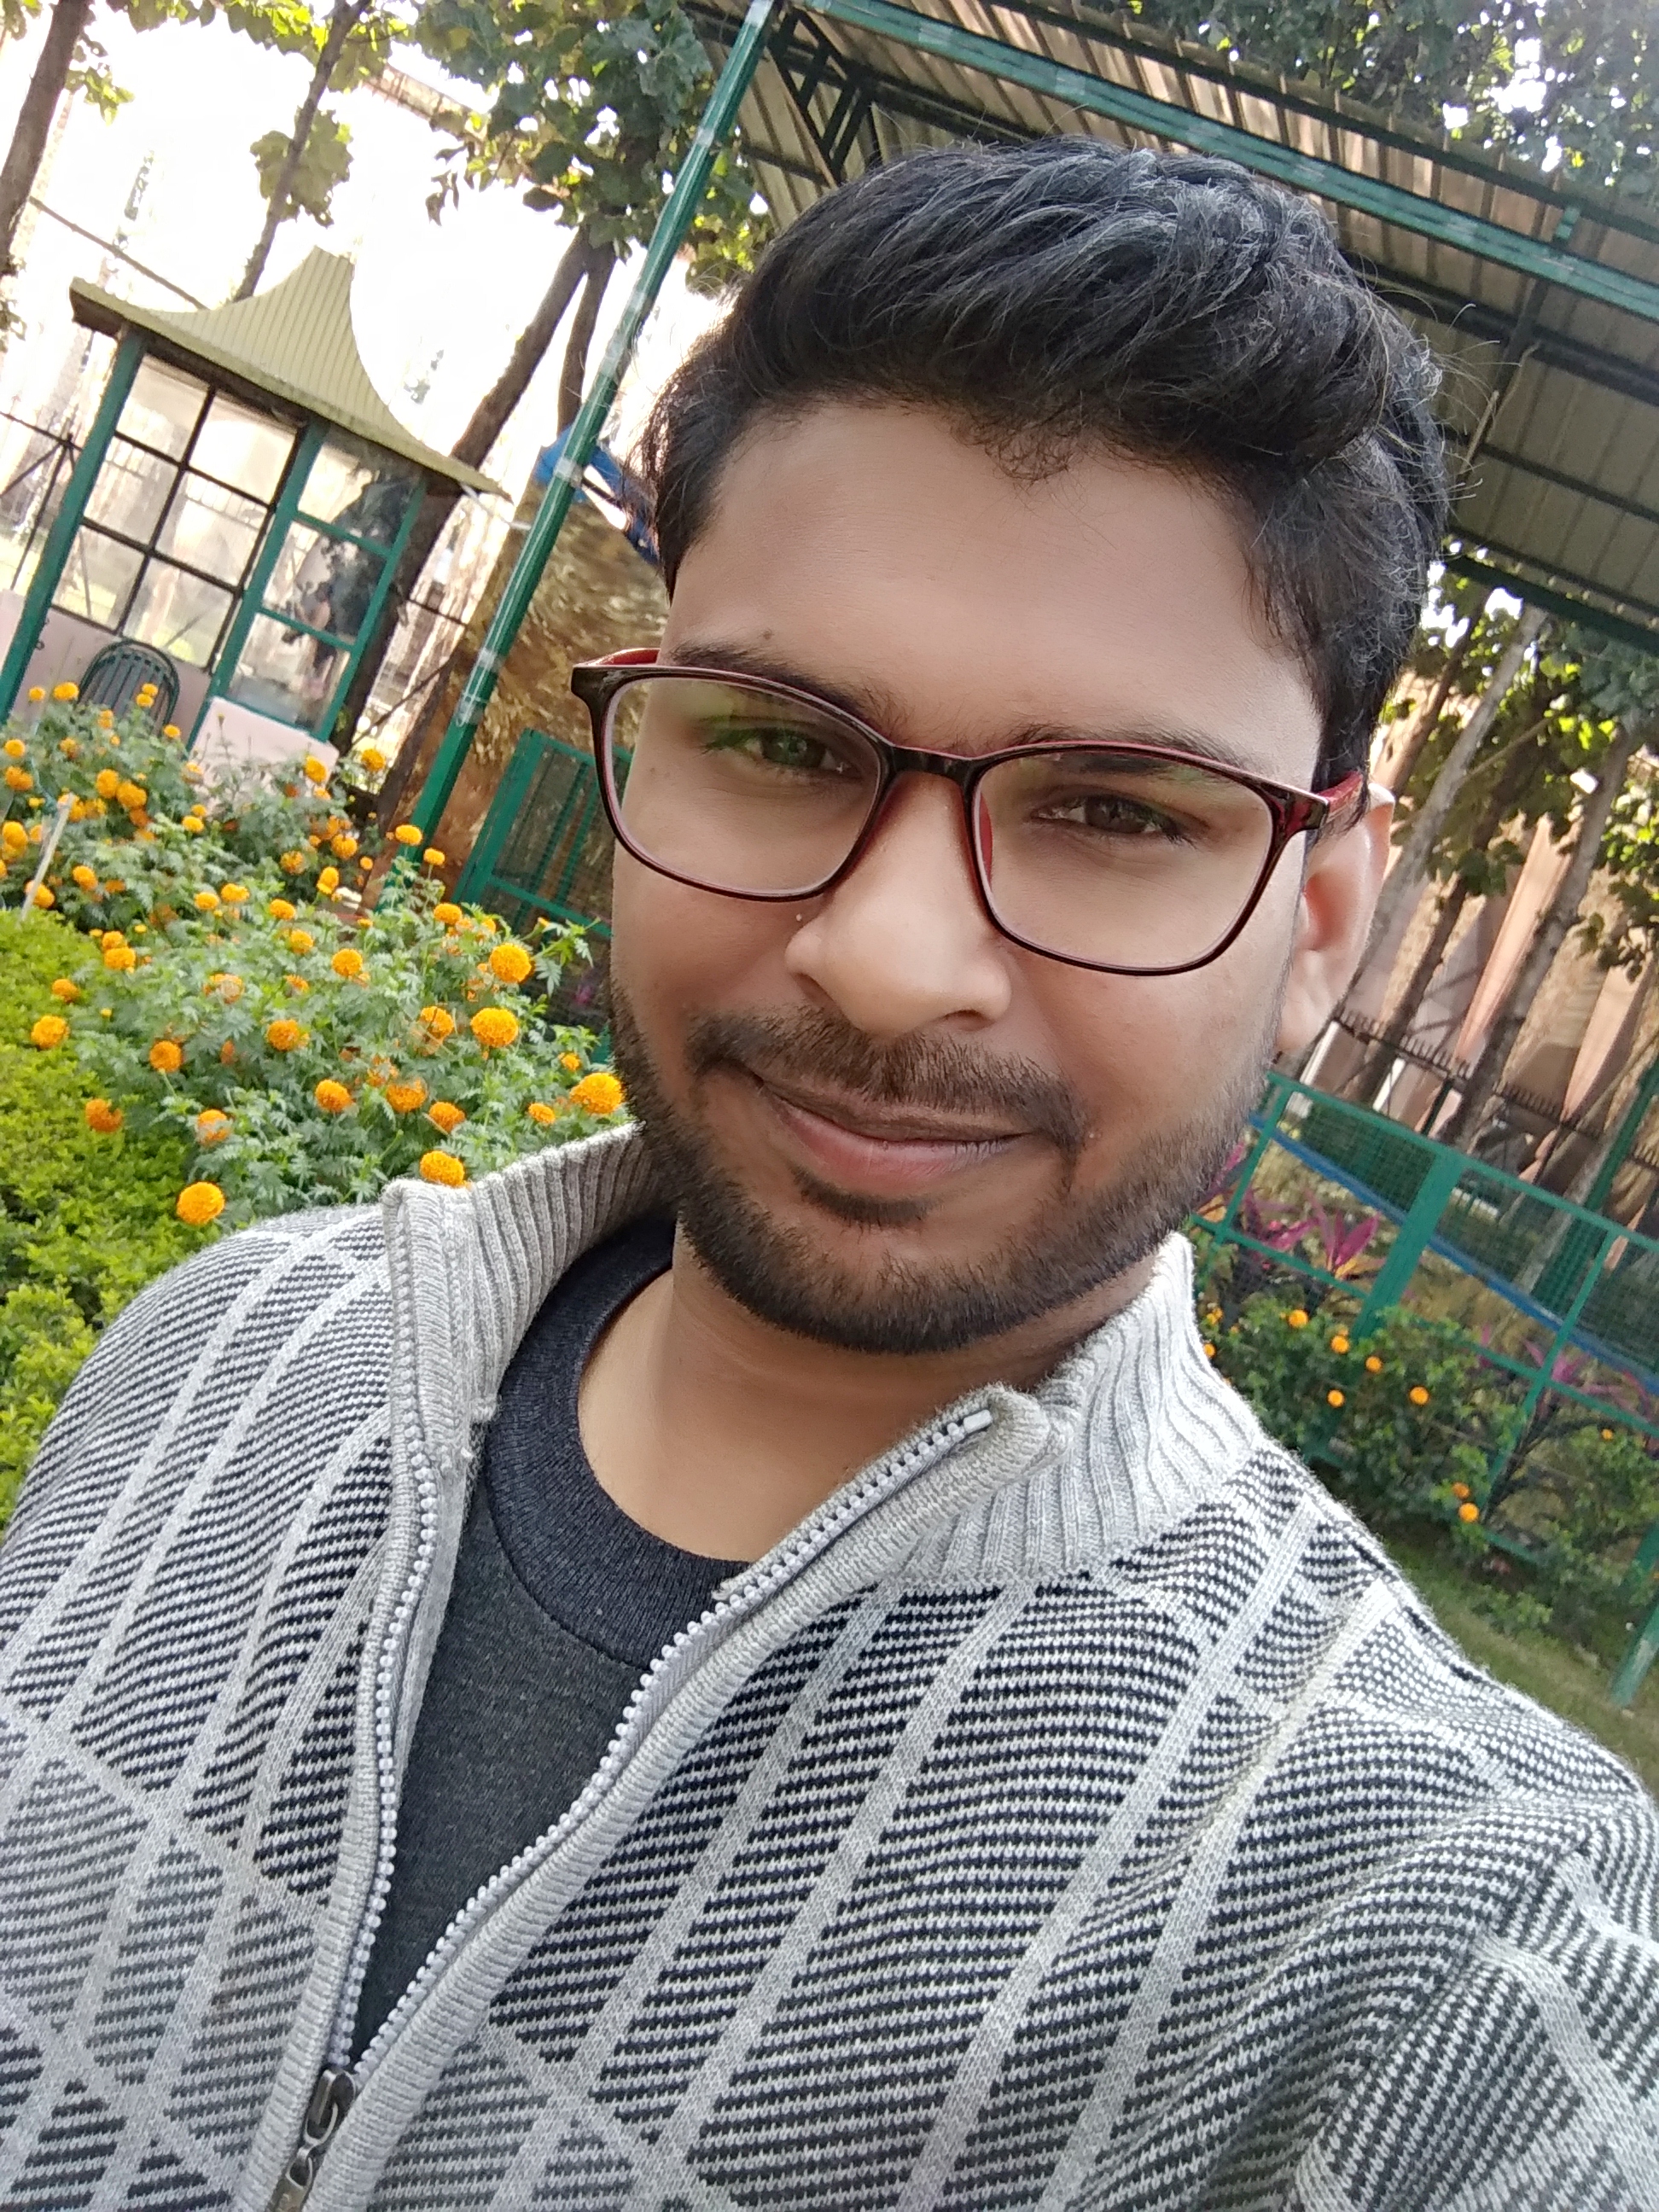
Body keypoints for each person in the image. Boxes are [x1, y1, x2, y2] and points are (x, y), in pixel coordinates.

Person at [0, 143, 1654, 2212]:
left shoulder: (1439, 1926)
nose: (886, 958)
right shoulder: (218, 1355)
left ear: (1318, 917)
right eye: (782, 744)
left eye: (1118, 811)